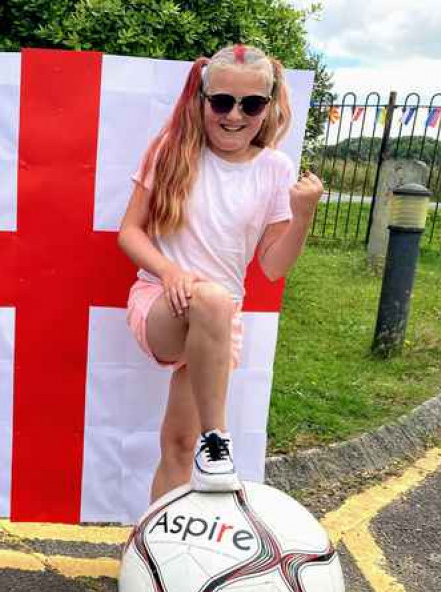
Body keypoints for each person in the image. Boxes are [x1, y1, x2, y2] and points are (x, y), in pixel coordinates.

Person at [118, 43, 323, 499]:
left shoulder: (275, 168)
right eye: (222, 102)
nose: (235, 115)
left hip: (217, 324)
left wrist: (302, 216)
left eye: (251, 104)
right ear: (202, 100)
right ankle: (220, 444)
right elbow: (129, 233)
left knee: (177, 444)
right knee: (212, 298)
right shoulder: (170, 150)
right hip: (160, 304)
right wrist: (170, 271)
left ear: (268, 107)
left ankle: (155, 553)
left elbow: (272, 267)